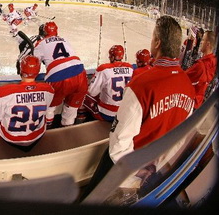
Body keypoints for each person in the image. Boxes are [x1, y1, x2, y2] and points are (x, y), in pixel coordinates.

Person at [81, 15, 196, 200]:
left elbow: (119, 144)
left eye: (152, 37)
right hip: (157, 169)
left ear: (157, 42)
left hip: (131, 170)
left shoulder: (141, 85)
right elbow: (182, 136)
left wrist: (139, 171)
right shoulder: (187, 85)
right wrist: (156, 167)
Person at [0, 55, 54, 151]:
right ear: (37, 72)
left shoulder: (4, 92)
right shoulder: (48, 90)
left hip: (11, 138)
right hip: (37, 136)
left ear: (20, 70)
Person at [34, 22, 88, 127]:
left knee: (50, 107)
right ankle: (67, 130)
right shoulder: (65, 39)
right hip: (79, 72)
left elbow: (35, 64)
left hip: (57, 75)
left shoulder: (41, 43)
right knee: (71, 108)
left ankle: (48, 128)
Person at [81, 45, 133, 122]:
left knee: (82, 95)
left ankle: (80, 120)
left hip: (107, 114)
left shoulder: (103, 69)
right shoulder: (130, 68)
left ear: (112, 57)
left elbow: (92, 92)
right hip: (123, 112)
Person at [185, 30, 218, 109]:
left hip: (190, 103)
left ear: (208, 44)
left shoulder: (200, 65)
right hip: (199, 104)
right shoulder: (214, 63)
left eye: (203, 39)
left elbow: (183, 77)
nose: (200, 42)